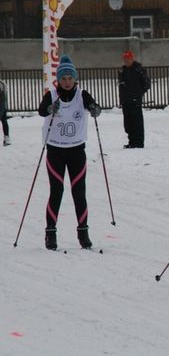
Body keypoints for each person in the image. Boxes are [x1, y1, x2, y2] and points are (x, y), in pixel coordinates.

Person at [38, 55, 102, 250]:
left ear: (75, 79)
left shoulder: (82, 95)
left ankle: (83, 232)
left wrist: (94, 109)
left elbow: (95, 106)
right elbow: (41, 111)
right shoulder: (51, 95)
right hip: (55, 151)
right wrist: (50, 108)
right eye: (63, 78)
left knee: (79, 192)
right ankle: (50, 233)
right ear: (59, 80)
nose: (67, 82)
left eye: (70, 78)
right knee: (56, 191)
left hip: (76, 151)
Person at [118, 50, 150, 148]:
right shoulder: (122, 71)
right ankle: (131, 141)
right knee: (128, 123)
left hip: (135, 100)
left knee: (137, 122)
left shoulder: (138, 69)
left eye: (128, 59)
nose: (126, 61)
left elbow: (146, 84)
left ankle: (138, 142)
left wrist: (138, 94)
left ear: (132, 58)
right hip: (125, 101)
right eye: (125, 59)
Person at [0, 80, 10, 146]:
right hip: (3, 106)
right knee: (4, 121)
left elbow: (3, 101)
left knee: (4, 120)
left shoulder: (1, 84)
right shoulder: (2, 83)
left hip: (2, 106)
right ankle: (7, 138)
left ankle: (7, 138)